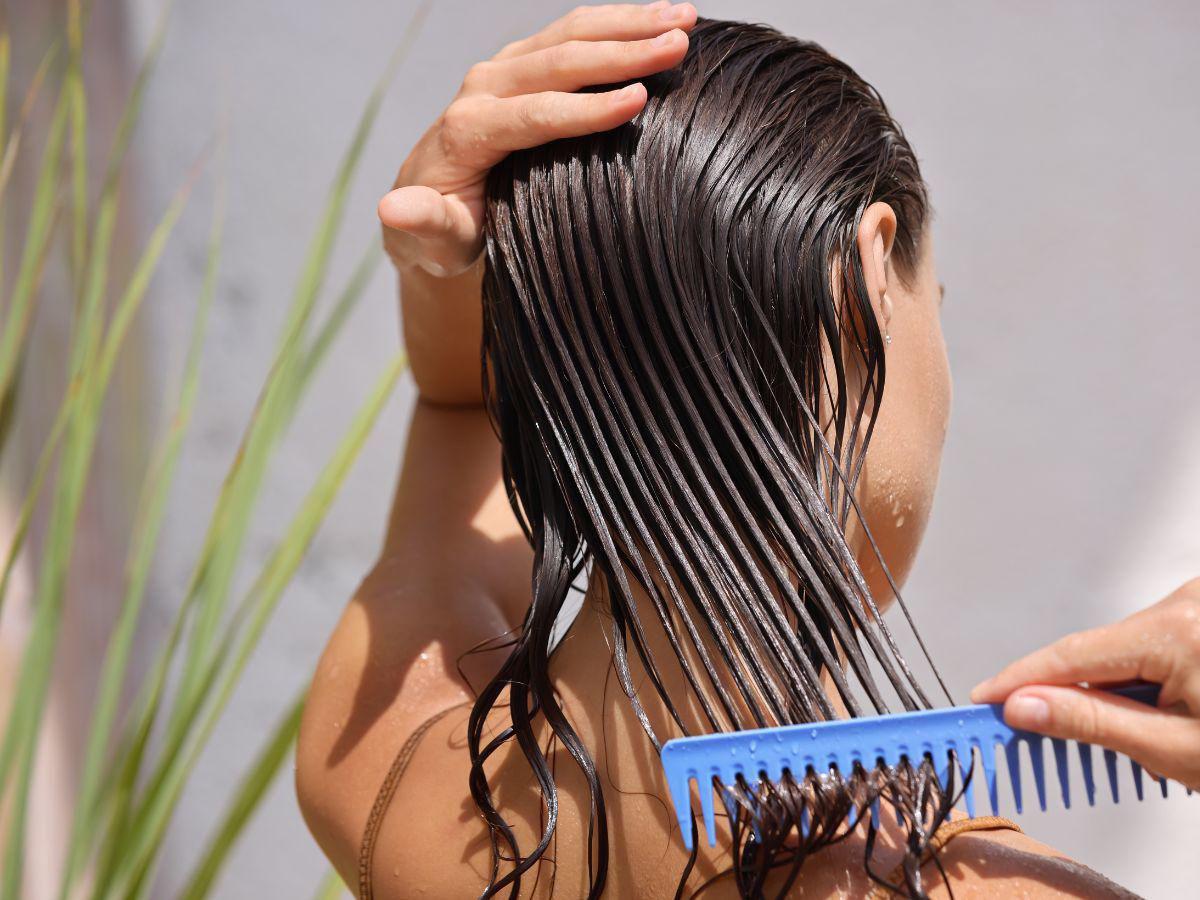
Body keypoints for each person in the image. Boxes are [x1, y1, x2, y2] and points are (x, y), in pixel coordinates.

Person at [295, 4, 1197, 897]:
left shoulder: (390, 777)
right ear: (870, 277)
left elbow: (456, 406)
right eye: (939, 304)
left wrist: (449, 261)